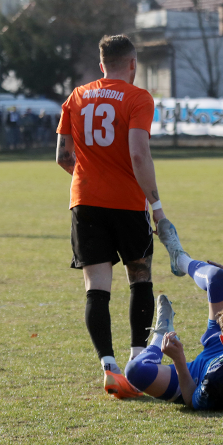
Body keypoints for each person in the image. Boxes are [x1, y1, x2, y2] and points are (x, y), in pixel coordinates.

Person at [56, 34, 168, 398]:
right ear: (133, 64)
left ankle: (109, 367)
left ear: (101, 64)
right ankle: (139, 364)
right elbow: (139, 155)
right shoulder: (138, 97)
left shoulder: (77, 96)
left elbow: (62, 155)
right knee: (140, 277)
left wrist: (90, 179)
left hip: (84, 202)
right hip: (126, 203)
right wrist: (156, 206)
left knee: (97, 289)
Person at [124, 221, 223, 411]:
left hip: (196, 374)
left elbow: (191, 400)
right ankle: (180, 259)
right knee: (217, 278)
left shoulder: (216, 380)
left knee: (135, 371)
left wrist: (179, 360)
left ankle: (161, 333)